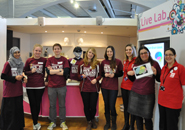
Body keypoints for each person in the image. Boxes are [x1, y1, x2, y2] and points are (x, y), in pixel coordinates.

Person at [127, 46, 161, 130]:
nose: (143, 55)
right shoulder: (136, 64)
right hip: (135, 93)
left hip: (148, 94)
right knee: (138, 117)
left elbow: (159, 79)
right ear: (139, 55)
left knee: (147, 118)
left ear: (149, 53)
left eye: (145, 53)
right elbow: (133, 79)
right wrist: (129, 74)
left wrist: (156, 73)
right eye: (141, 53)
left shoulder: (155, 64)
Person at [158, 48, 185, 130]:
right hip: (162, 101)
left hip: (173, 103)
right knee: (162, 125)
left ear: (175, 56)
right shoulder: (164, 67)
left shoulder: (180, 68)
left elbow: (184, 85)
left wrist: (182, 99)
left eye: (170, 55)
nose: (168, 56)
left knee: (171, 126)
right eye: (166, 55)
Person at [1, 46, 27, 130]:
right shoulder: (8, 63)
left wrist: (23, 78)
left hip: (18, 91)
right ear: (12, 53)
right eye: (15, 52)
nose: (17, 54)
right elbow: (3, 76)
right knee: (10, 111)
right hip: (9, 92)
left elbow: (21, 74)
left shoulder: (21, 63)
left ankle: (18, 127)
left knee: (18, 110)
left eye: (18, 52)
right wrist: (14, 78)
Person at [46, 43, 70, 130]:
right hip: (51, 86)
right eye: (55, 49)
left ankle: (62, 122)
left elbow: (65, 72)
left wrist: (54, 70)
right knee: (52, 105)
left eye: (58, 49)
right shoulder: (49, 60)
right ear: (53, 50)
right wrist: (60, 70)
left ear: (61, 50)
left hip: (62, 86)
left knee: (62, 105)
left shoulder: (64, 60)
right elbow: (48, 72)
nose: (57, 50)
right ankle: (52, 122)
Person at [24, 44, 47, 130]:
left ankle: (36, 122)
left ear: (41, 52)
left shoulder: (44, 60)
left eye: (39, 51)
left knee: (37, 104)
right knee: (32, 104)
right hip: (30, 86)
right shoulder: (29, 60)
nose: (37, 52)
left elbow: (47, 70)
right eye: (36, 50)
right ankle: (35, 123)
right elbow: (25, 71)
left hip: (40, 86)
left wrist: (46, 79)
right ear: (33, 51)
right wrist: (31, 72)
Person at [78, 47, 101, 130]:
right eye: (89, 52)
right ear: (86, 53)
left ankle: (92, 119)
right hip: (84, 89)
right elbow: (78, 75)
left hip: (94, 89)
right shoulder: (81, 63)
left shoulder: (97, 64)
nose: (90, 54)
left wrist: (96, 79)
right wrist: (81, 76)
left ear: (94, 55)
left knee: (93, 106)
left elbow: (100, 75)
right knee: (86, 106)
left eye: (92, 53)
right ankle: (89, 121)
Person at [100, 46, 123, 130]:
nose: (109, 53)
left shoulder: (118, 61)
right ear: (106, 53)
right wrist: (104, 75)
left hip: (113, 87)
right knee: (106, 104)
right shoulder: (103, 62)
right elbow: (101, 73)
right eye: (108, 51)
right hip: (104, 86)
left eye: (111, 51)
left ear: (113, 52)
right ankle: (107, 123)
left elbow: (121, 73)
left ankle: (113, 123)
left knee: (112, 105)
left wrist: (114, 75)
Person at [121, 44, 137, 130]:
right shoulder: (125, 61)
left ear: (133, 50)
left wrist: (135, 73)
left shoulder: (137, 60)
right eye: (126, 50)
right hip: (124, 86)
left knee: (132, 107)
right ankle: (126, 124)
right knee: (126, 106)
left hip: (132, 87)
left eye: (130, 49)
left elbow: (142, 71)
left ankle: (132, 125)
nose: (128, 51)